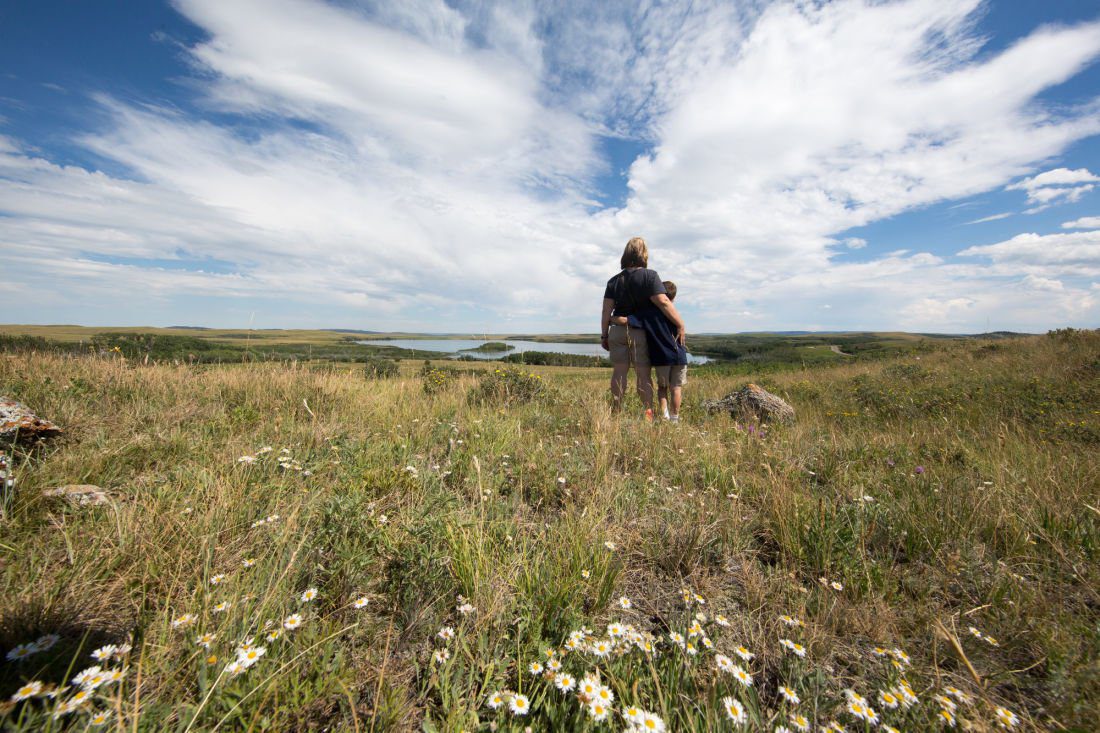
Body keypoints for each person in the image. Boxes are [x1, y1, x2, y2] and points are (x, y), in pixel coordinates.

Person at [600, 237, 686, 416]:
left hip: (616, 331)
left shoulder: (613, 281)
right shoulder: (650, 276)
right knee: (643, 375)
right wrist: (680, 324)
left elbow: (606, 311)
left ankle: (616, 411)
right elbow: (663, 302)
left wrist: (604, 335)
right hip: (640, 331)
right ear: (644, 254)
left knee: (619, 372)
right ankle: (648, 413)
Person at [612, 280, 687, 421]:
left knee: (663, 388)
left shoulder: (649, 313)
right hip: (680, 357)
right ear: (674, 298)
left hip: (662, 357)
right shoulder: (676, 315)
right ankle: (675, 419)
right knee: (676, 388)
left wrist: (611, 318)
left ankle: (664, 416)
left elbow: (625, 320)